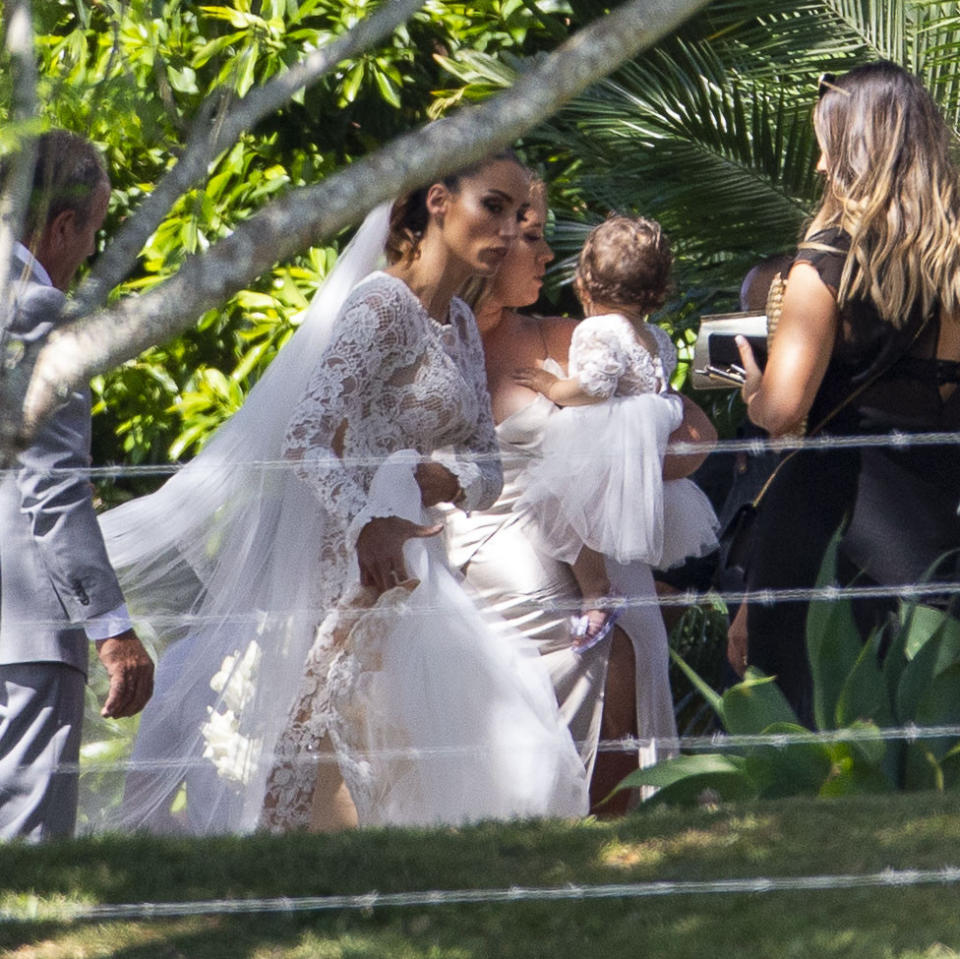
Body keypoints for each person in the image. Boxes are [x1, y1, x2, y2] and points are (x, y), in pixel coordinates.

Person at [103, 150, 587, 835]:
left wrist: (450, 479)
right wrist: (367, 523)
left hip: (421, 564)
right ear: (439, 203)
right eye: (494, 207)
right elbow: (305, 439)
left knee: (437, 739)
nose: (510, 231)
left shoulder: (458, 328)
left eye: (518, 215)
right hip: (347, 564)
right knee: (336, 738)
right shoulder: (380, 307)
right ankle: (304, 882)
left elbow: (488, 465)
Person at [445, 189, 717, 811]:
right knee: (591, 628)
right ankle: (551, 810)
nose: (549, 255)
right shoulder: (427, 343)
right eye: (533, 237)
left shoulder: (578, 333)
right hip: (486, 543)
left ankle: (623, 822)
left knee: (630, 622)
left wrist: (641, 445)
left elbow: (694, 432)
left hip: (586, 530)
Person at [731, 61, 960, 723]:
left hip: (843, 517)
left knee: (824, 711)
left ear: (860, 149)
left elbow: (783, 409)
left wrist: (753, 386)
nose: (823, 167)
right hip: (941, 506)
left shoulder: (830, 256)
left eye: (829, 147)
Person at [0, 130, 154, 841]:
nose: (90, 251)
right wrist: (112, 628)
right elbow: (54, 485)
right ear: (62, 226)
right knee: (25, 855)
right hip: (22, 626)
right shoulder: (35, 314)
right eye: (91, 232)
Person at [514, 215, 719, 646]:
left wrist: (553, 386)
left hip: (607, 437)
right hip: (649, 434)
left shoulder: (597, 329)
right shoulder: (656, 336)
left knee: (566, 504)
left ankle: (595, 592)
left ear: (584, 284)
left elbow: (594, 386)